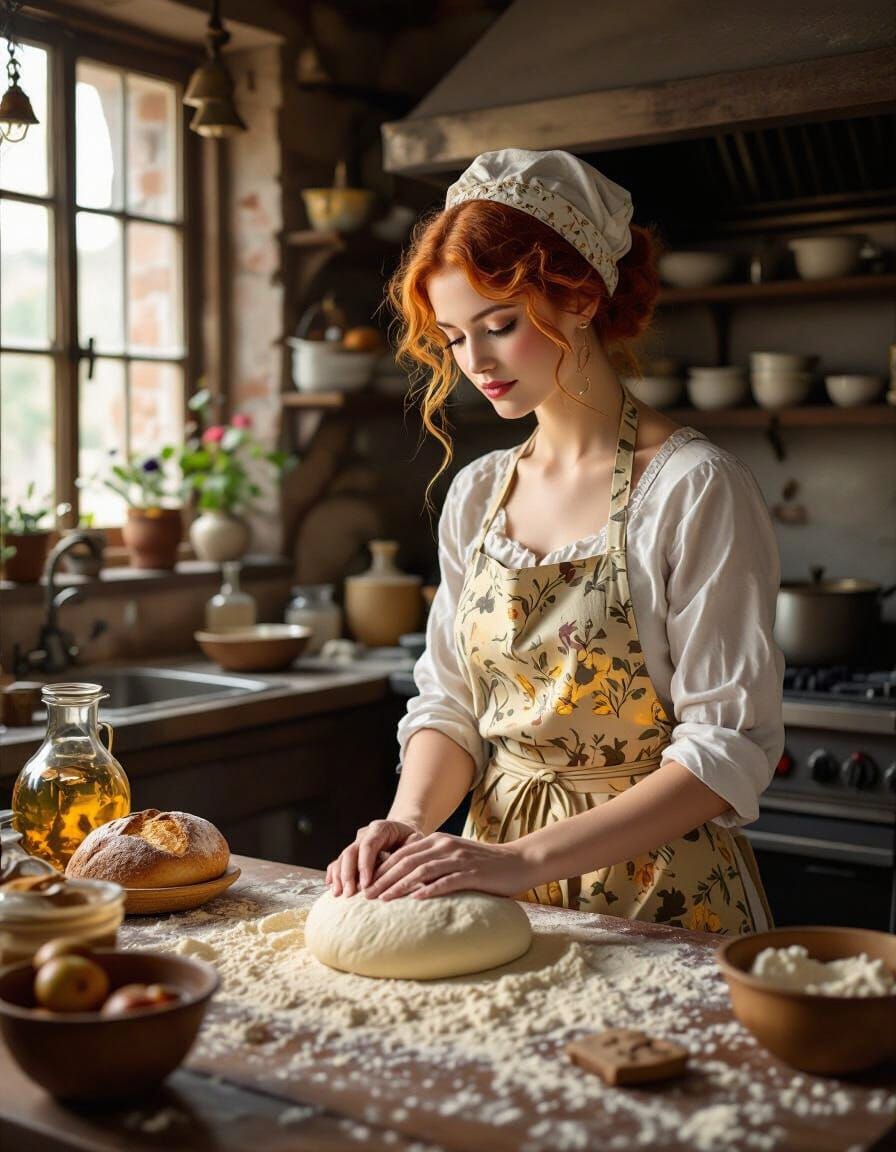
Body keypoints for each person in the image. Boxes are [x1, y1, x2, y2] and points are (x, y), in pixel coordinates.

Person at [326, 148, 784, 934]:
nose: (477, 364)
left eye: (499, 326)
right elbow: (452, 702)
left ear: (578, 297)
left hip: (659, 896)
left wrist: (529, 860)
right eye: (454, 338)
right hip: (484, 881)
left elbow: (725, 749)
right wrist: (408, 819)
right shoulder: (478, 494)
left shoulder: (692, 487)